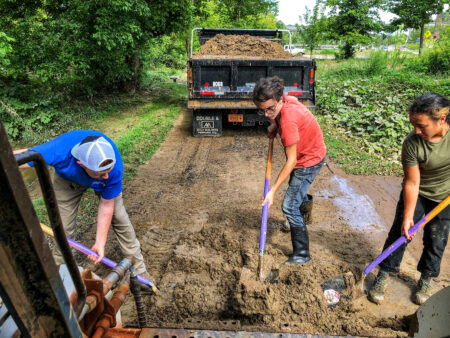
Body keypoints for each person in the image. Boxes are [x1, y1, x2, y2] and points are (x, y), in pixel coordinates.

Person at [14, 130, 149, 278]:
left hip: (96, 179)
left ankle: (140, 270)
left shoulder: (113, 170)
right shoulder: (58, 152)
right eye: (101, 173)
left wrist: (100, 243)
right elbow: (12, 158)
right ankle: (60, 275)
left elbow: (106, 205)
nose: (106, 176)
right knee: (62, 228)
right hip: (68, 180)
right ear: (81, 163)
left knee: (119, 217)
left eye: (108, 171)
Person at [368, 93, 450, 305]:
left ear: (441, 119)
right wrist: (407, 217)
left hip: (445, 197)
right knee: (400, 233)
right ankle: (384, 273)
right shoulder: (412, 143)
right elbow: (412, 183)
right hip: (420, 192)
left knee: (436, 239)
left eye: (421, 125)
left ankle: (426, 278)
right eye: (413, 124)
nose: (416, 130)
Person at [252, 76, 326, 264]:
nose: (268, 114)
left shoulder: (288, 121)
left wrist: (272, 191)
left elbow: (291, 161)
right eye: (263, 111)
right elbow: (279, 116)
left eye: (271, 109)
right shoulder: (286, 101)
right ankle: (304, 214)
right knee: (296, 192)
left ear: (279, 100)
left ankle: (302, 254)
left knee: (289, 206)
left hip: (308, 160)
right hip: (309, 153)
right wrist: (274, 125)